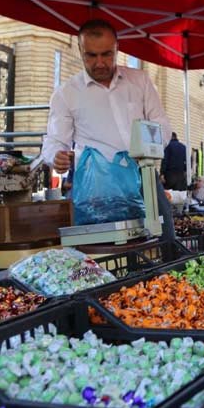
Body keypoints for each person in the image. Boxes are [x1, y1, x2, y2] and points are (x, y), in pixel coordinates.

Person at [41, 19, 177, 258]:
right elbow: (54, 141)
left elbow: (161, 125)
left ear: (117, 49)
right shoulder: (66, 94)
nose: (100, 63)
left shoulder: (140, 81)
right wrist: (56, 157)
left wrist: (147, 150)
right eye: (91, 56)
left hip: (143, 176)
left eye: (107, 54)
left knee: (165, 243)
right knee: (103, 255)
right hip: (96, 188)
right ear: (80, 51)